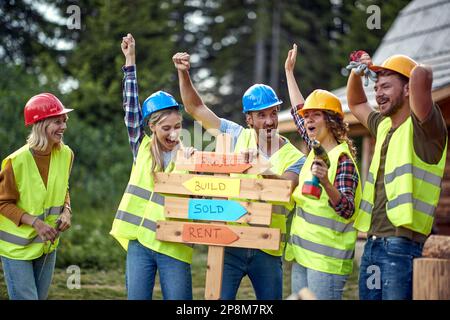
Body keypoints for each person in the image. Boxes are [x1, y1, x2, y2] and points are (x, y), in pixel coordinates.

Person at [172, 52, 305, 300]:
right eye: (262, 115)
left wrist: (262, 169)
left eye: (273, 113)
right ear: (249, 119)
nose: (269, 121)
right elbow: (195, 107)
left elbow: (286, 188)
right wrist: (184, 73)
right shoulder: (235, 136)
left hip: (267, 247)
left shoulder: (295, 157)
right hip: (229, 243)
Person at [347, 52, 447, 300]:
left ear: (407, 90)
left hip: (401, 246)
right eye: (377, 86)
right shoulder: (382, 126)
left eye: (386, 86)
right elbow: (356, 103)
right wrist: (357, 71)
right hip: (372, 244)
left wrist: (406, 67)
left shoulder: (425, 128)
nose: (378, 93)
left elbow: (422, 76)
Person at [110, 34, 195, 300]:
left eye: (177, 127)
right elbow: (130, 108)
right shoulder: (142, 148)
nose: (173, 133)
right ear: (152, 127)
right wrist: (130, 61)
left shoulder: (189, 154)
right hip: (140, 243)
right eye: (166, 128)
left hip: (174, 245)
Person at [284, 44, 362, 300]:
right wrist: (289, 72)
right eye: (308, 117)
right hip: (302, 255)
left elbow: (347, 208)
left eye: (315, 115)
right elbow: (297, 112)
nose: (308, 121)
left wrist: (326, 183)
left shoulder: (343, 160)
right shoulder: (314, 147)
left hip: (326, 262)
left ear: (331, 121)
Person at [0, 93, 74, 300]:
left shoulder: (66, 154)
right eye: (57, 122)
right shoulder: (16, 161)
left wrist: (67, 211)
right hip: (17, 249)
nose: (63, 127)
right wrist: (35, 223)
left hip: (47, 245)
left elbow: (63, 188)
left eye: (64, 121)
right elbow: (3, 203)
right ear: (41, 124)